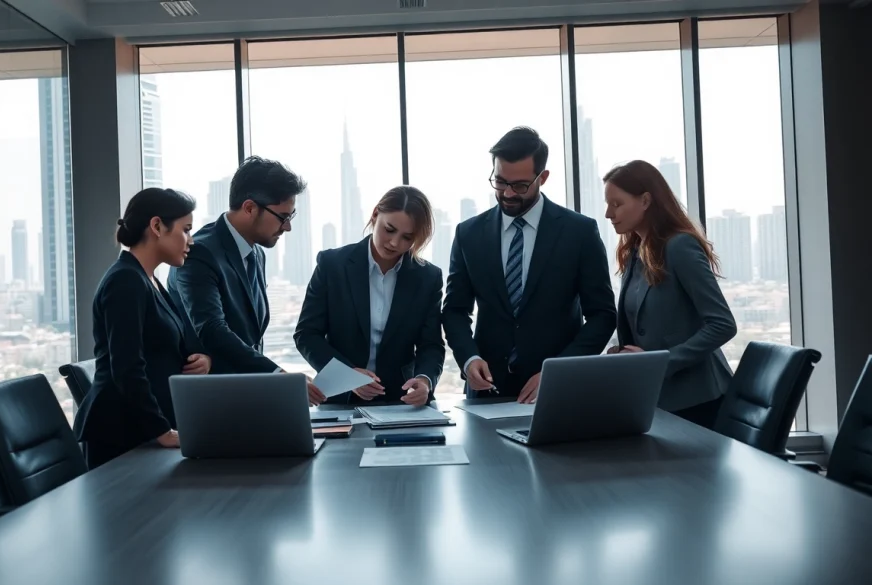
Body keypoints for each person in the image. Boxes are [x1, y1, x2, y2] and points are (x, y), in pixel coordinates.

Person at [443, 126, 617, 403]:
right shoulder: (469, 234)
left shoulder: (579, 232)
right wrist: (469, 358)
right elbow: (454, 310)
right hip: (486, 391)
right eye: (500, 182)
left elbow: (602, 315)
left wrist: (558, 371)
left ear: (542, 178)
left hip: (559, 391)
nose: (508, 193)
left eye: (520, 185)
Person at [168, 156, 325, 405]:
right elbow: (212, 329)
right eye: (283, 217)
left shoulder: (256, 254)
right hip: (208, 401)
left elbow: (250, 338)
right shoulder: (200, 253)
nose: (287, 227)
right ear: (250, 208)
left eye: (291, 217)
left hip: (246, 396)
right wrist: (277, 375)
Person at [73, 188, 212, 469]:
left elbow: (167, 345)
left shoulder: (148, 280)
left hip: (143, 430)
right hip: (123, 434)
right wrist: (162, 431)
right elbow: (127, 368)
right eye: (186, 230)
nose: (191, 240)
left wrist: (202, 359)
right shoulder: (125, 281)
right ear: (157, 226)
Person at [602, 160, 737, 429]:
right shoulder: (635, 252)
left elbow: (723, 324)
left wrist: (659, 362)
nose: (608, 213)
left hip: (698, 401)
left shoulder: (679, 246)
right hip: (657, 399)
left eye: (617, 204)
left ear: (645, 201)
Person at [294, 186, 446, 405]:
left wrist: (424, 380)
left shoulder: (428, 277)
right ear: (375, 215)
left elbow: (431, 344)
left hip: (401, 401)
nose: (394, 243)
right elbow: (307, 334)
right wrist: (348, 375)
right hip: (340, 398)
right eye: (389, 229)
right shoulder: (332, 265)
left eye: (407, 237)